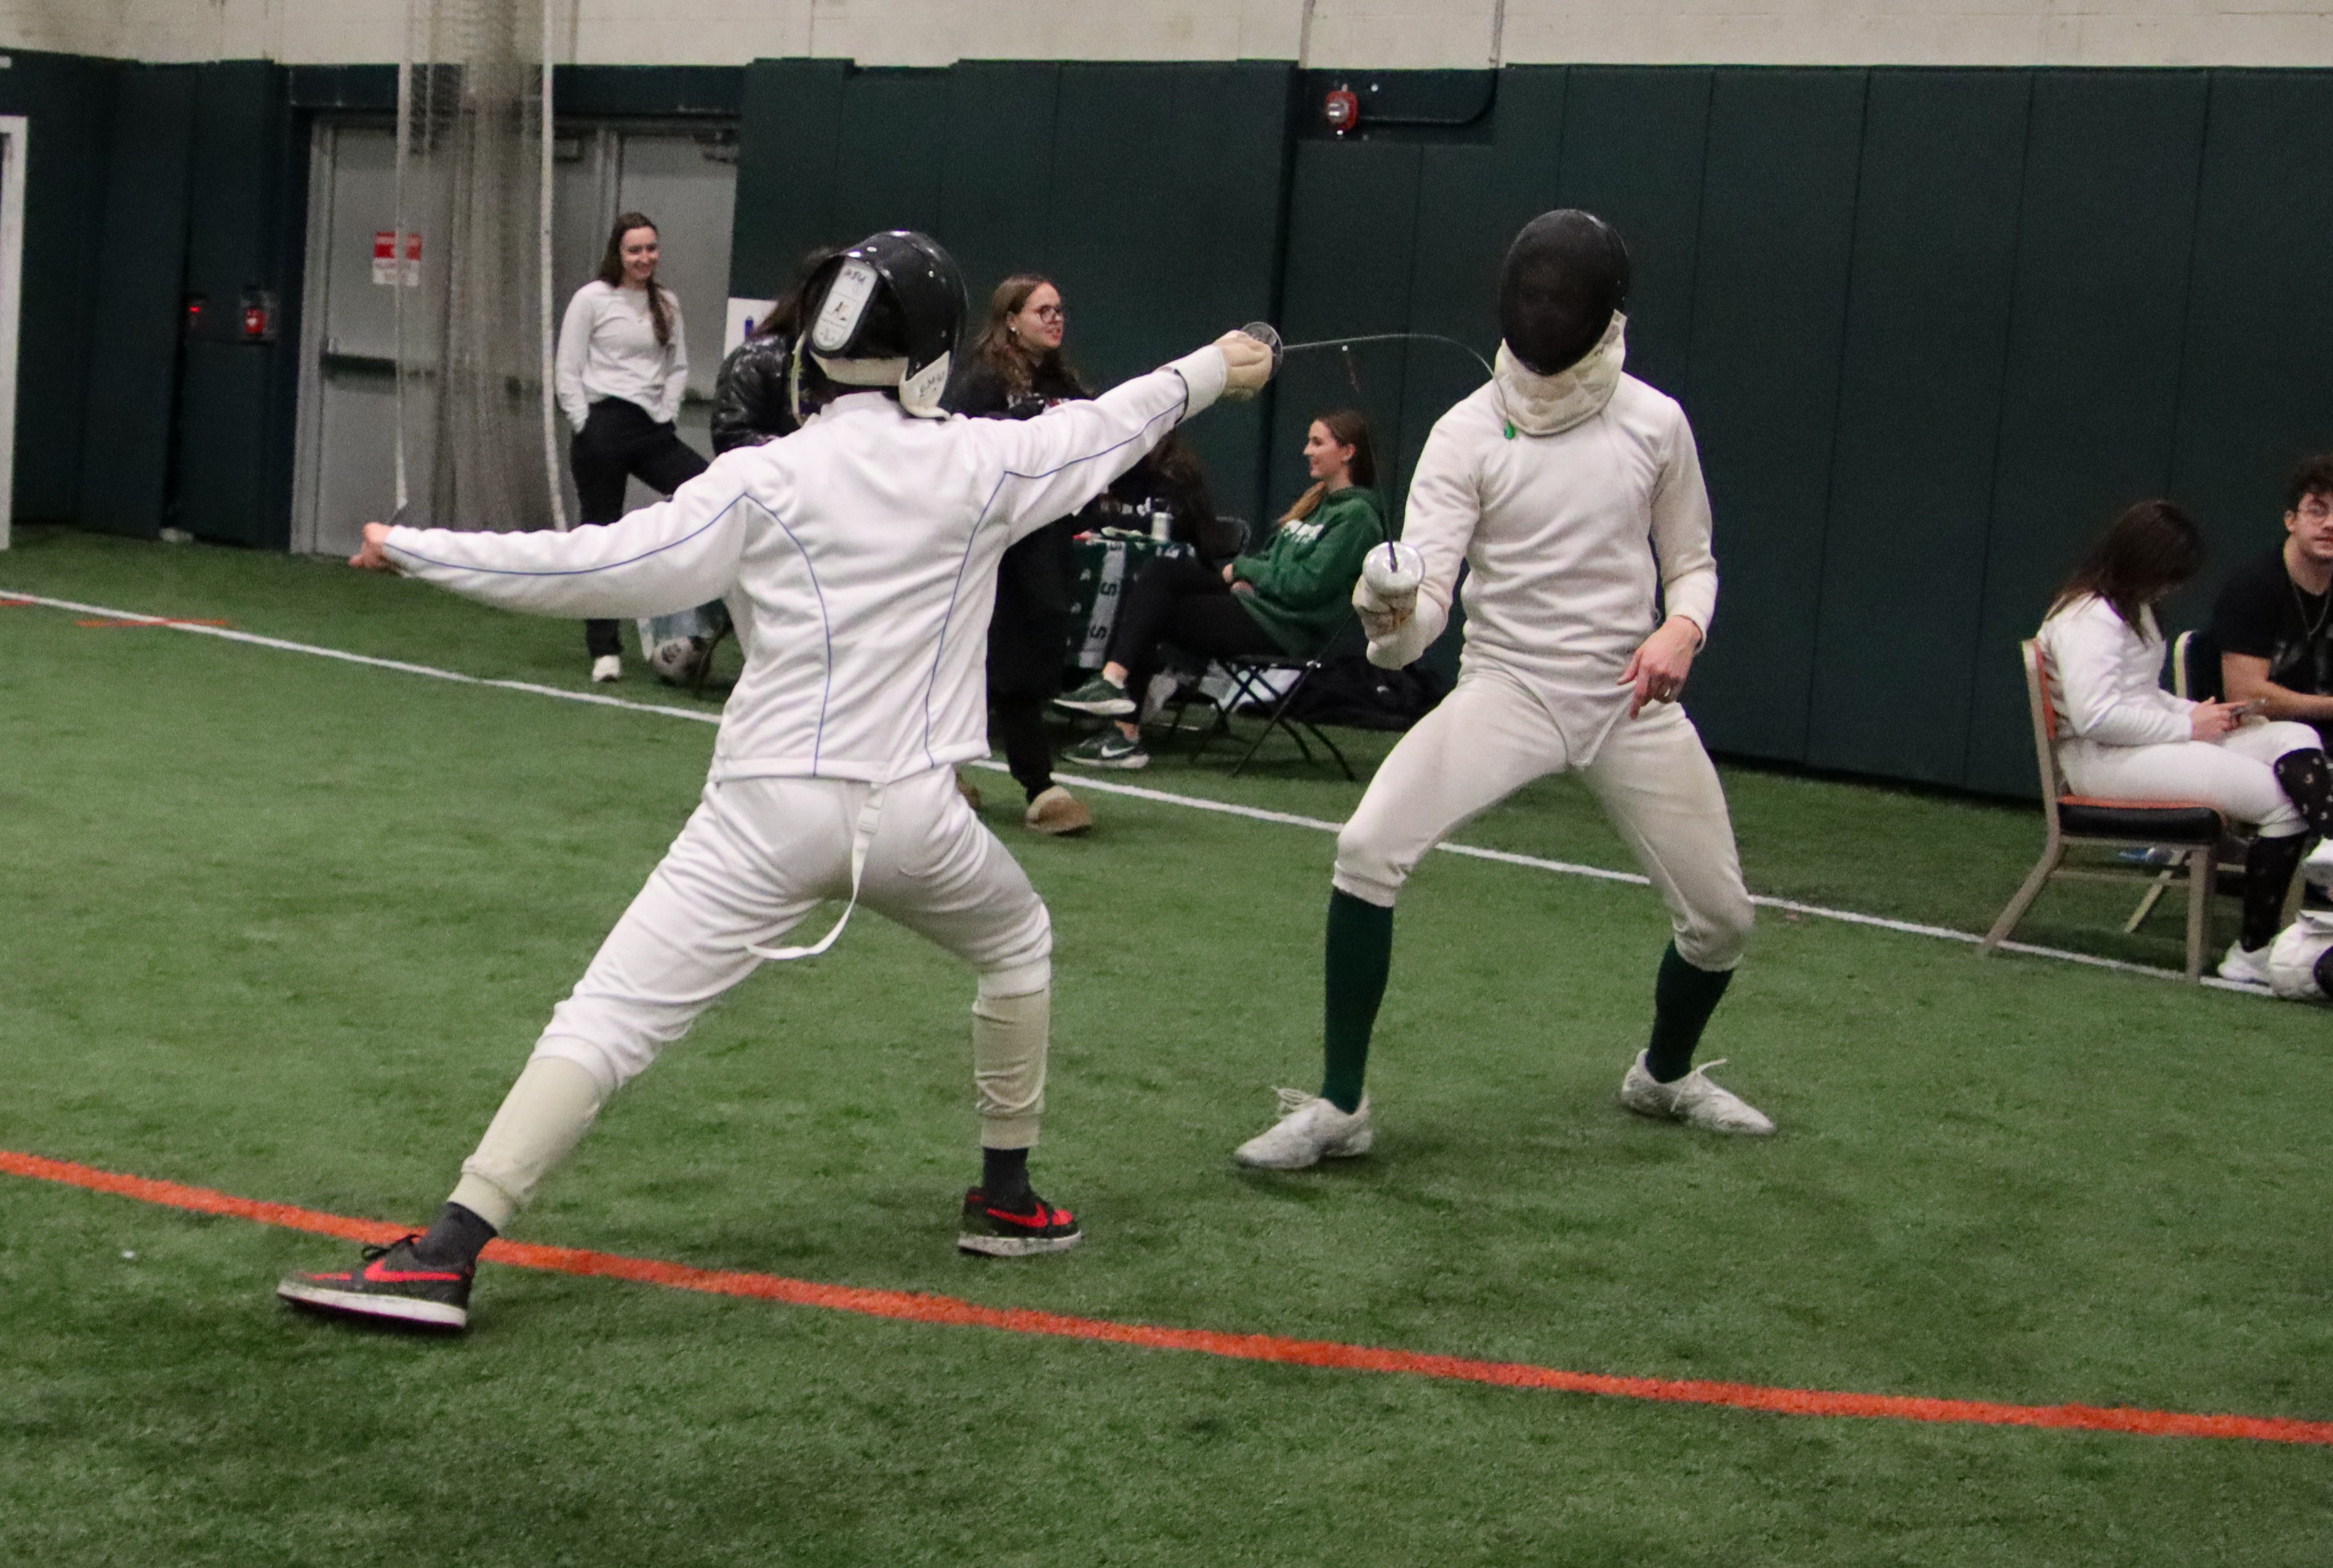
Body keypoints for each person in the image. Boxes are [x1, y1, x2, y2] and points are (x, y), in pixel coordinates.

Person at [276, 231, 1276, 1331]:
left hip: (766, 812)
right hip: (918, 818)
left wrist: (423, 547)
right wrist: (1224, 364)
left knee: (609, 1017)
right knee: (1018, 942)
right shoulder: (984, 461)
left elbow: (591, 566)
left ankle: (449, 1249)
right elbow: (1120, 417)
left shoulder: (762, 476)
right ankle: (1006, 1200)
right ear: (933, 351)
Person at [1232, 209, 1770, 1172]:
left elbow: (1691, 562)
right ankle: (1340, 1106)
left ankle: (1662, 1075)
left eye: (1566, 296)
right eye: (1535, 293)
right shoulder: (1464, 433)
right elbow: (1418, 625)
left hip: (1626, 701)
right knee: (1364, 847)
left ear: (1605, 315)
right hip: (1508, 687)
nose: (1547, 310)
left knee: (1722, 920)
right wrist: (1387, 609)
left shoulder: (1654, 423)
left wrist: (1679, 631)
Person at [2037, 499, 2333, 983]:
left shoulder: (2131, 608)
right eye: (2170, 573)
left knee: (2295, 735)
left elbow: (2139, 694)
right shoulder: (2088, 618)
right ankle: (2252, 952)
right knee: (2279, 803)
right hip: (2104, 763)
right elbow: (2096, 718)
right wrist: (2186, 727)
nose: (2174, 585)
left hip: (2137, 746)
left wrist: (2196, 713)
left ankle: (2331, 842)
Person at [1054, 409, 1387, 770]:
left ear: (1348, 452)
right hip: (1257, 603)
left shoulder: (1357, 517)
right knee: (1160, 573)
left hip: (1281, 626)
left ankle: (1123, 731)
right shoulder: (1316, 503)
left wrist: (1245, 570)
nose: (1307, 450)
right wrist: (1254, 577)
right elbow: (1279, 565)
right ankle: (1113, 685)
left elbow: (1306, 585)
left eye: (1318, 442)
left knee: (1157, 610)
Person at [947, 274, 1096, 836]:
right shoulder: (982, 383)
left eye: (1059, 310)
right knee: (984, 655)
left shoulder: (1068, 383)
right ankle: (1035, 783)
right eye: (1042, 311)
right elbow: (960, 452)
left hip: (1049, 537)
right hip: (992, 540)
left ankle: (953, 774)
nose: (1055, 319)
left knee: (1031, 646)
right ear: (1011, 317)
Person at [554, 211, 710, 684]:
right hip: (600, 428)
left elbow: (678, 367)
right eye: (634, 250)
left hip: (650, 430)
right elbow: (567, 369)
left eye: (650, 249)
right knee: (600, 535)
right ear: (617, 254)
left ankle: (684, 625)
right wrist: (584, 422)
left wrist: (665, 412)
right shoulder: (592, 300)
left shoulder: (666, 302)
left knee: (710, 493)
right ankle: (604, 649)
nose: (644, 258)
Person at [2214, 454, 2333, 750]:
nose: (2330, 524)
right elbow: (2245, 694)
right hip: (2258, 735)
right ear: (2290, 520)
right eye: (2317, 511)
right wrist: (2328, 707)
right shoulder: (2253, 587)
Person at [710, 246, 840, 455]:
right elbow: (731, 434)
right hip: (775, 482)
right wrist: (804, 454)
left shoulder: (859, 363)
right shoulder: (757, 357)